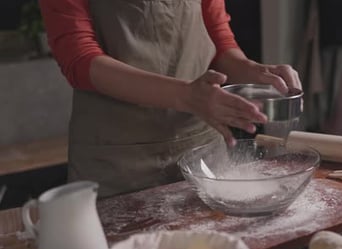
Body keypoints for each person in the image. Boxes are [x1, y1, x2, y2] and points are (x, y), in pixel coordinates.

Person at [39, 0, 302, 197]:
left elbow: (216, 34)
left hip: (201, 149)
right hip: (118, 159)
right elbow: (79, 58)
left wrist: (254, 71)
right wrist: (187, 96)